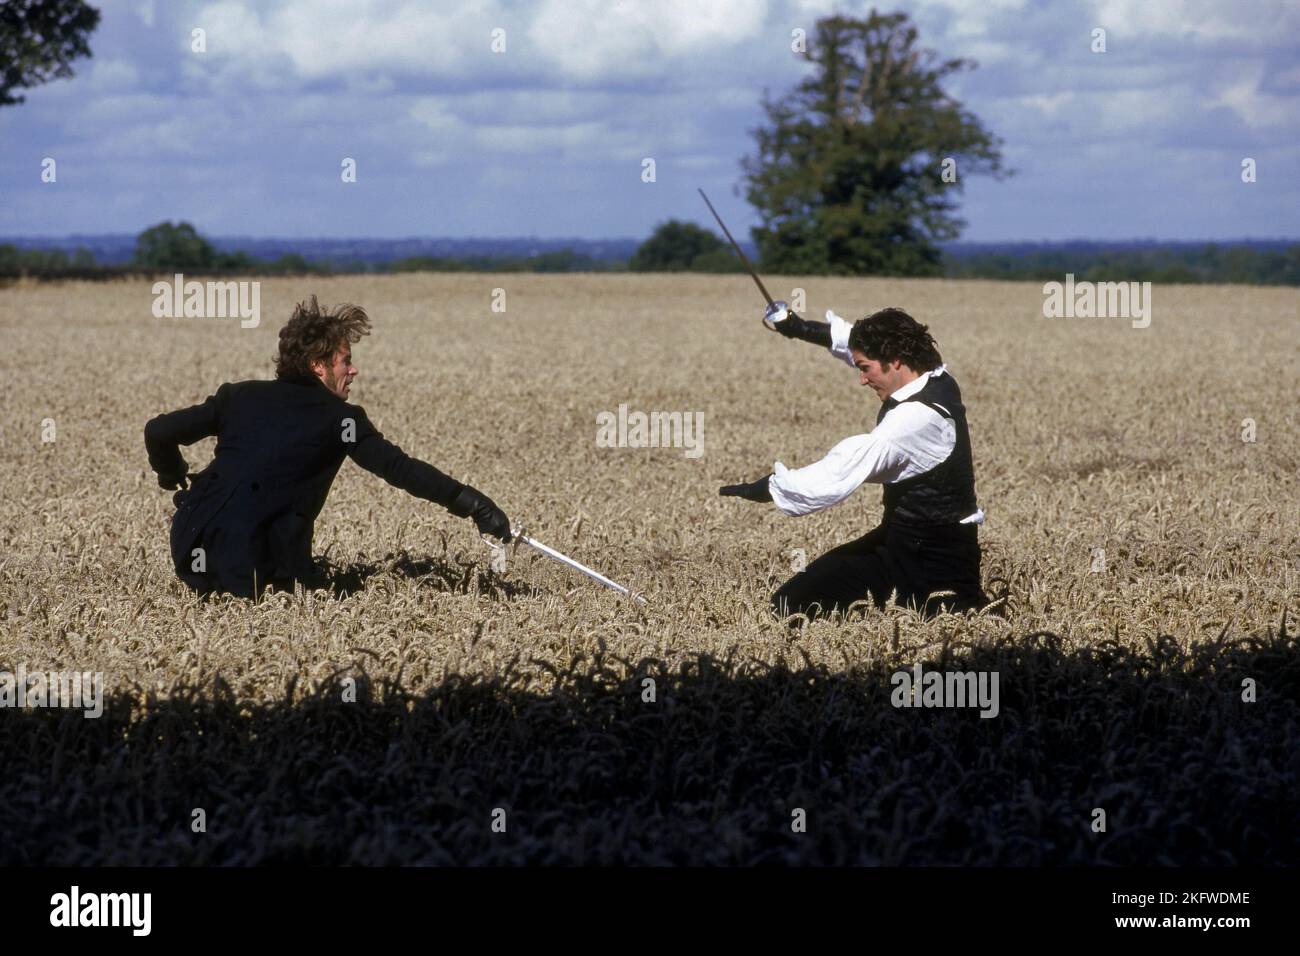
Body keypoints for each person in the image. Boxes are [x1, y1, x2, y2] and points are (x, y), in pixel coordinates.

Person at [144, 295, 511, 598]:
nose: (353, 371)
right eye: (346, 361)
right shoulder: (342, 420)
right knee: (321, 593)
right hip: (257, 573)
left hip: (191, 549)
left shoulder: (238, 396)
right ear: (319, 365)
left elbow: (158, 431)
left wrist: (173, 475)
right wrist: (474, 505)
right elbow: (399, 469)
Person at [720, 303, 989, 620]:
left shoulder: (914, 421)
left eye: (865, 369)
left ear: (896, 361)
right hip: (896, 544)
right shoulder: (934, 375)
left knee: (947, 623)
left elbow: (840, 470)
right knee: (791, 604)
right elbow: (854, 342)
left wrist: (770, 487)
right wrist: (799, 327)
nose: (862, 379)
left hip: (935, 561)